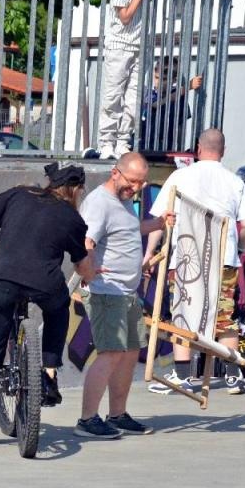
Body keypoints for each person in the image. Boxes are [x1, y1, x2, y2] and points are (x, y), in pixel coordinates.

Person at [0, 162, 93, 440]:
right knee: (59, 308)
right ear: (75, 191)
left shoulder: (19, 195)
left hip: (3, 281)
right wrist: (91, 275)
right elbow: (83, 266)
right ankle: (48, 372)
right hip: (45, 284)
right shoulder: (72, 219)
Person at [143, 128, 245, 395]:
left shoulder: (180, 176)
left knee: (183, 313)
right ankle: (232, 374)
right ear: (223, 151)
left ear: (198, 148)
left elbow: (162, 218)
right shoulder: (234, 181)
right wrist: (237, 248)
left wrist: (150, 252)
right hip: (223, 257)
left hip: (185, 256)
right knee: (224, 314)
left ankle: (183, 374)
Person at [74, 152, 174, 438]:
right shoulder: (99, 202)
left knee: (129, 353)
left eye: (142, 183)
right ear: (115, 173)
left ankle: (117, 414)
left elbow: (127, 230)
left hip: (127, 292)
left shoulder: (124, 200)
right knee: (110, 353)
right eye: (132, 181)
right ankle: (87, 419)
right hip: (108, 291)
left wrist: (155, 225)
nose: (137, 188)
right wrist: (89, 270)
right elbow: (87, 240)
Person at [99, 0, 173, 159]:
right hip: (119, 45)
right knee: (113, 96)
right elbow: (125, 16)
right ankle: (106, 142)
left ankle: (123, 141)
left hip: (139, 46)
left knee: (133, 97)